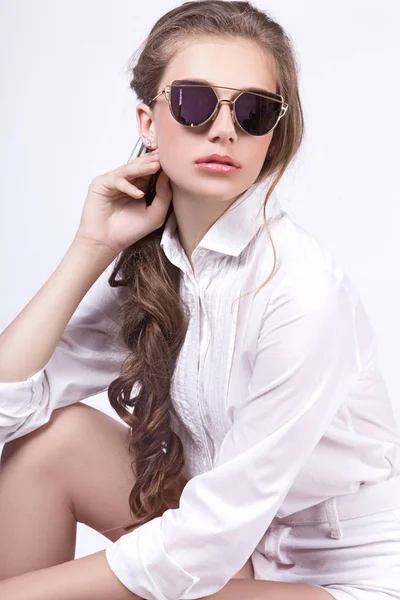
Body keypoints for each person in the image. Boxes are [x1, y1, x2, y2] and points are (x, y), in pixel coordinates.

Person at [1, 1, 400, 599]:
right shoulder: (167, 271)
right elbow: (11, 408)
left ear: (274, 131)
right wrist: (89, 247)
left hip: (335, 578)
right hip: (237, 550)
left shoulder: (300, 290)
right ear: (147, 120)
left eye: (253, 110)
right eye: (193, 101)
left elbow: (204, 544)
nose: (223, 129)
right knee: (48, 446)